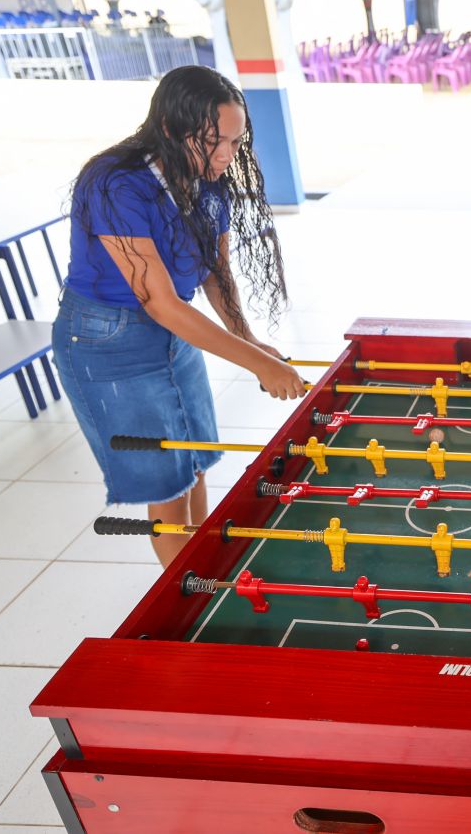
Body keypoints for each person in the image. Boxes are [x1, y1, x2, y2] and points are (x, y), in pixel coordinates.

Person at [53, 65, 306, 568]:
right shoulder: (115, 183)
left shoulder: (209, 182)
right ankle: (191, 596)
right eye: (213, 142)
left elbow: (216, 274)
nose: (225, 156)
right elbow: (161, 302)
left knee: (193, 462)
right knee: (166, 486)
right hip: (108, 343)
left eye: (234, 144)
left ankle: (202, 568)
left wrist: (250, 341)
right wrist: (259, 366)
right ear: (171, 127)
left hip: (172, 332)